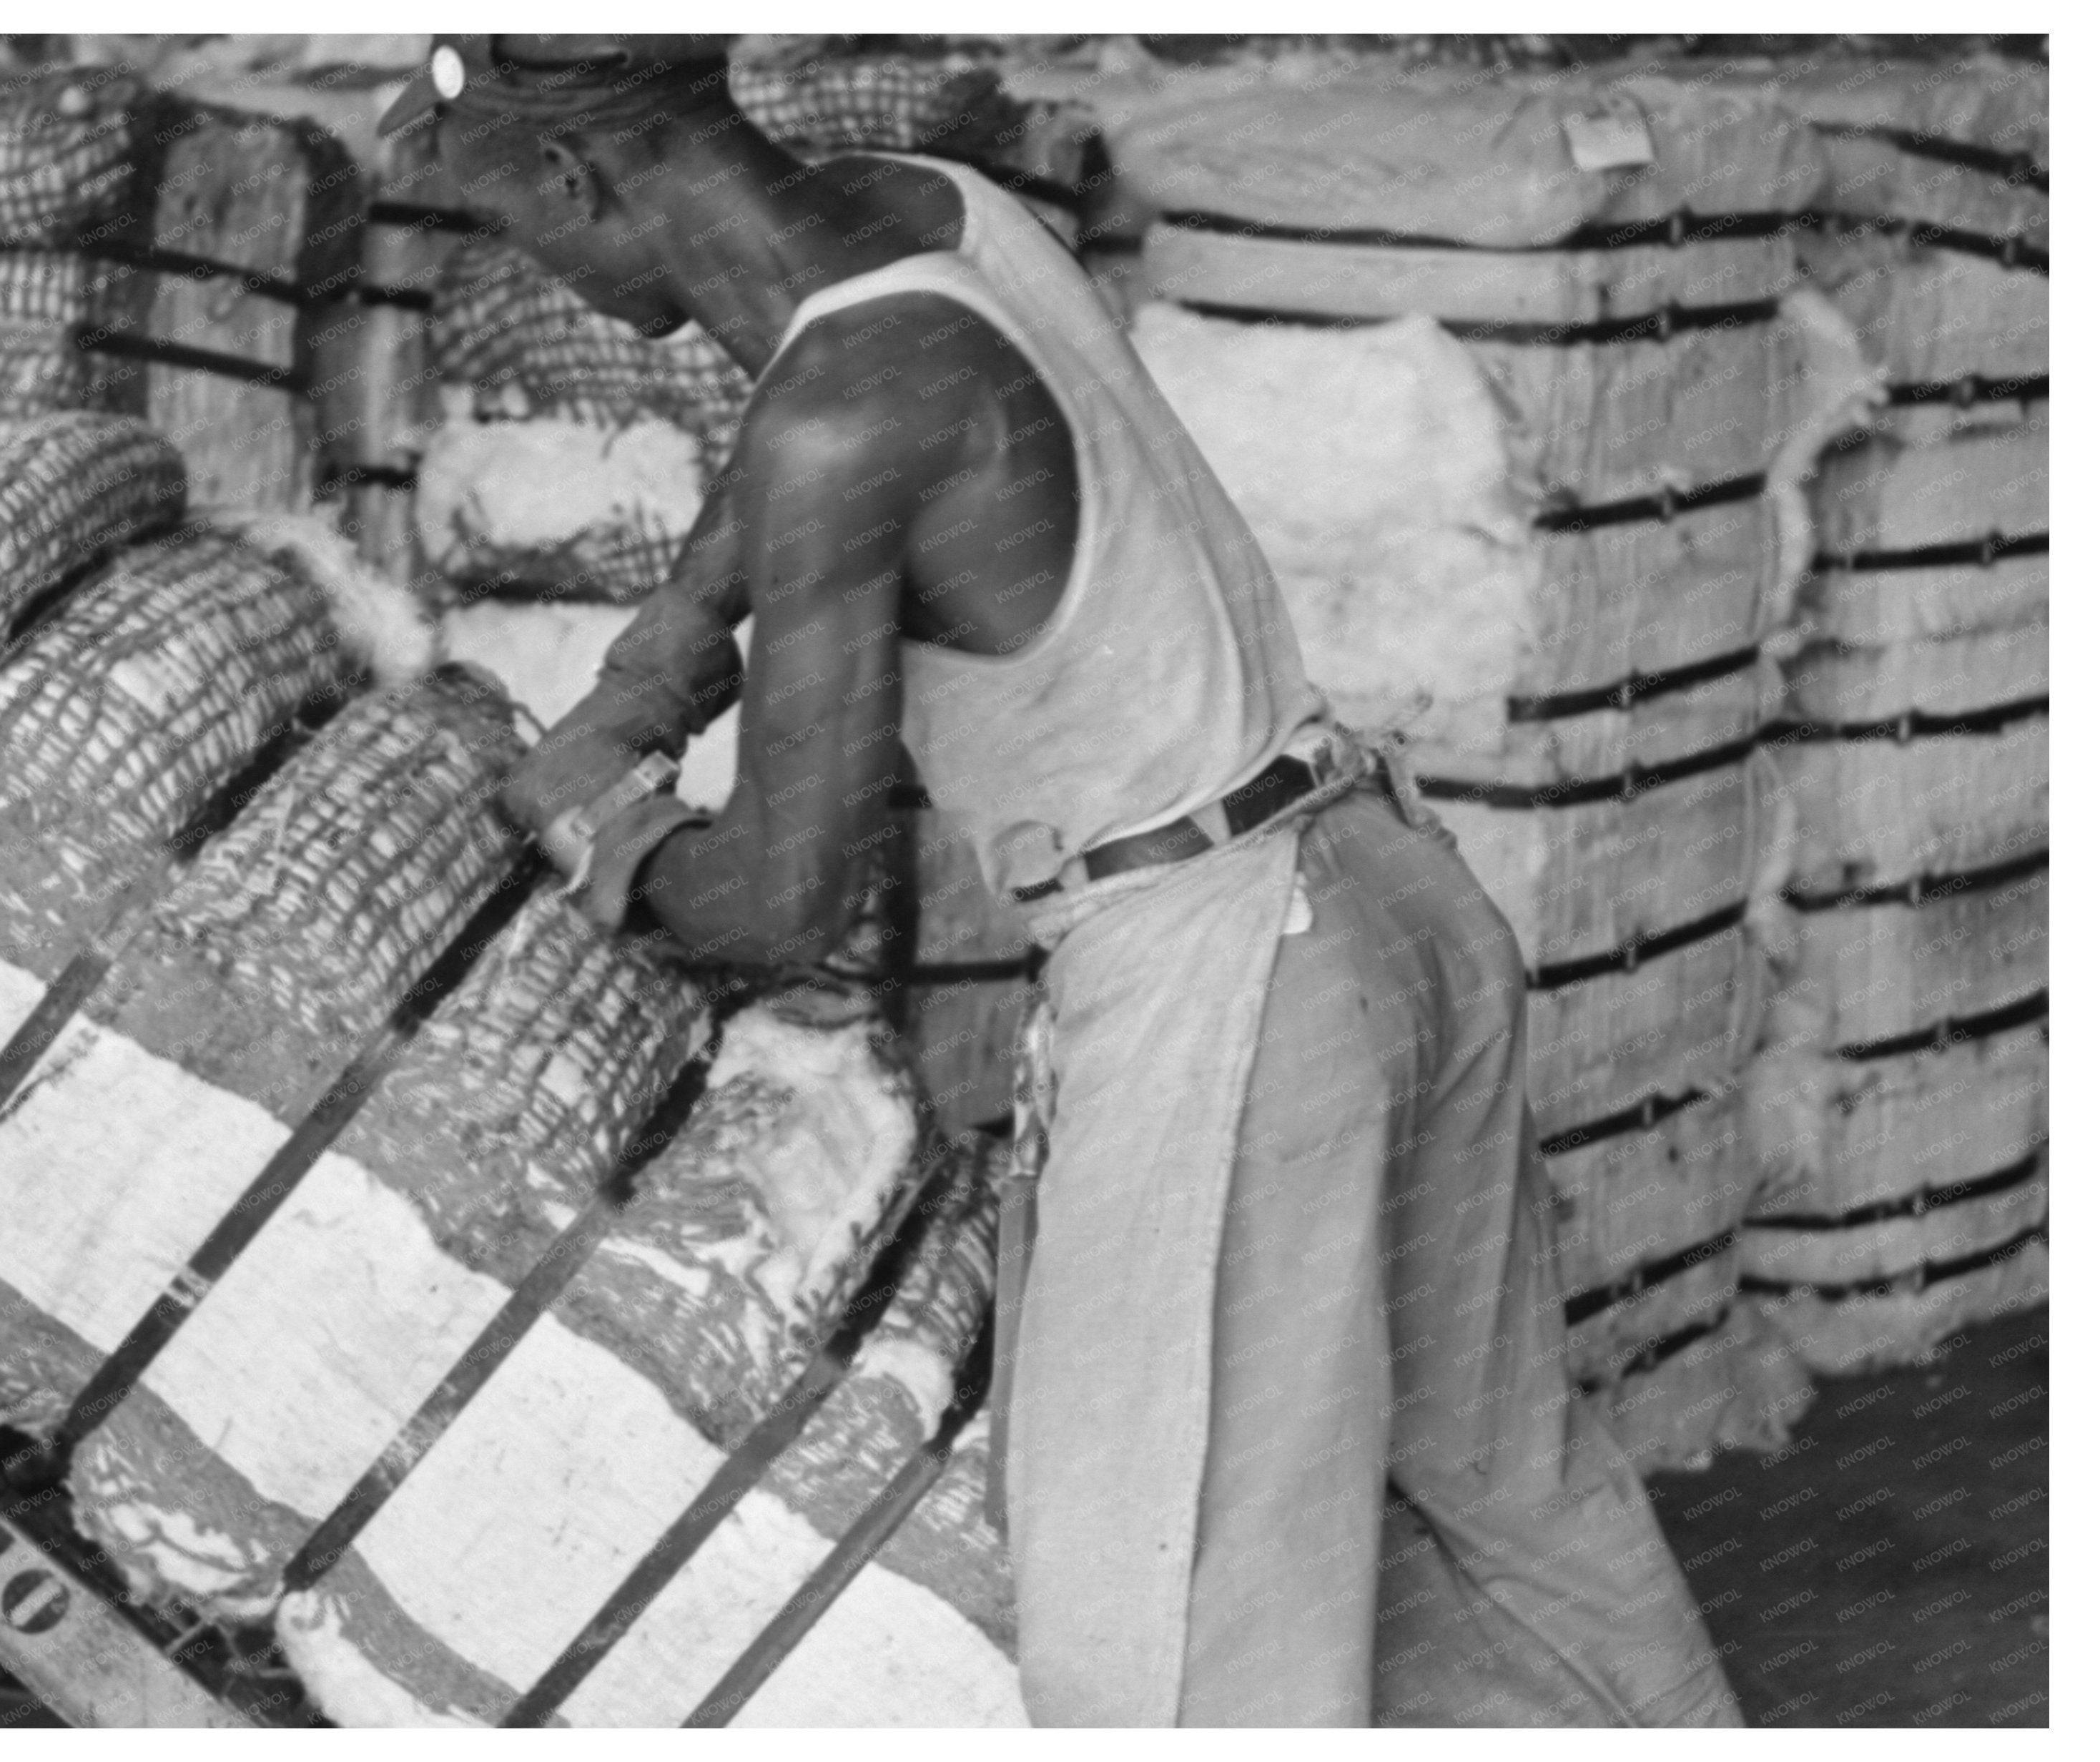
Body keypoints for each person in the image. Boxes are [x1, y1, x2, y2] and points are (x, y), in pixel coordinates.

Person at [388, 35, 1743, 1727]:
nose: (552, 275)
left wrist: (610, 836)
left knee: (1162, 1635)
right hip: (1384, 880)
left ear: (578, 181)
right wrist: (662, 657)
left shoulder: (835, 414)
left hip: (1226, 989)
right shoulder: (931, 211)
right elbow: (809, 415)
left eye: (524, 226)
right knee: (1507, 1493)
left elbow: (784, 894)